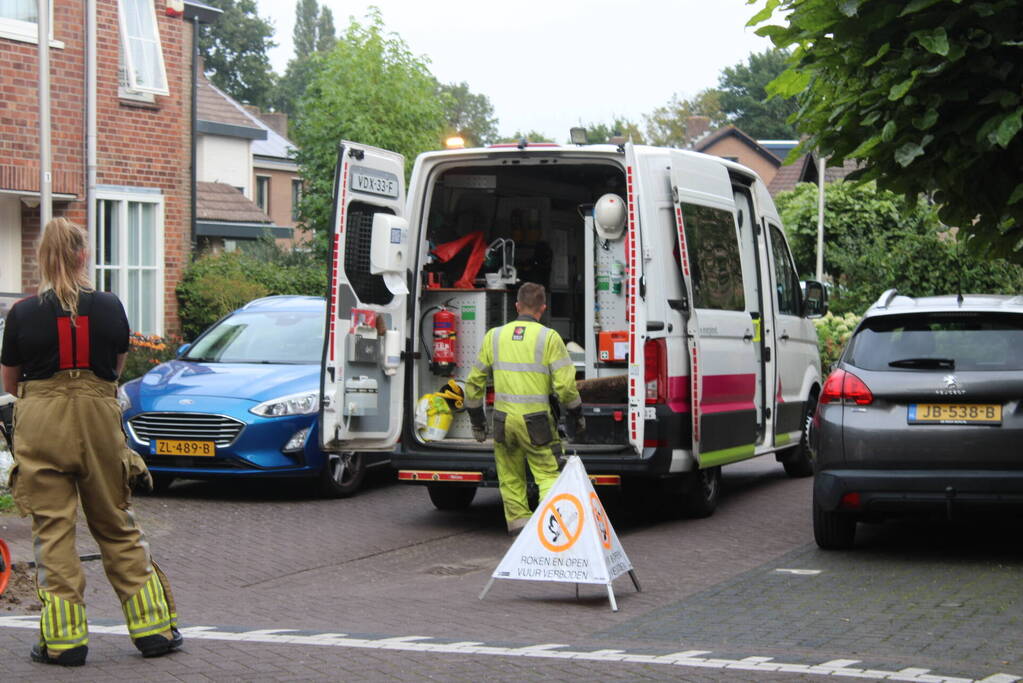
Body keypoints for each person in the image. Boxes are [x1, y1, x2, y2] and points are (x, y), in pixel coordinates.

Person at [1, 218, 181, 667]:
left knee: (53, 529)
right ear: (84, 256)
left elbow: (10, 382)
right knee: (115, 522)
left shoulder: (22, 313)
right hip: (99, 418)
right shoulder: (109, 306)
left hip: (41, 421)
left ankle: (64, 642)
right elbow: (115, 369)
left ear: (43, 257)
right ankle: (153, 629)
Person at [464, 282, 585, 534]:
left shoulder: (494, 336)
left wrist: (477, 420)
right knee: (548, 474)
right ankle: (551, 531)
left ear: (517, 306)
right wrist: (576, 413)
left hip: (503, 422)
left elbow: (474, 382)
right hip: (537, 423)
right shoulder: (549, 337)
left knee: (509, 476)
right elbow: (565, 387)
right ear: (543, 308)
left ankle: (519, 527)